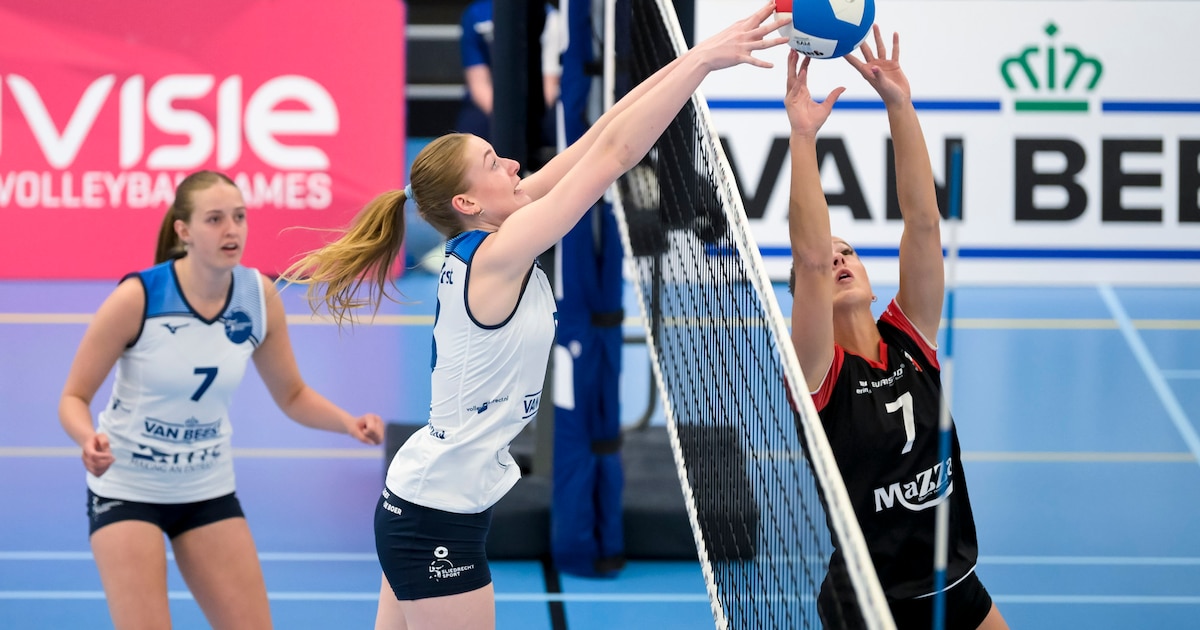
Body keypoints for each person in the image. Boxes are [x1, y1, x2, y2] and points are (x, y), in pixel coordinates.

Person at [278, 5, 790, 628]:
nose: (514, 166)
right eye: (495, 163)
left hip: (424, 503)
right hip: (435, 521)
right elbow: (614, 156)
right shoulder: (499, 253)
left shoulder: (499, 228)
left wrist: (693, 59)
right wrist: (704, 62)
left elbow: (601, 133)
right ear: (467, 202)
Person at [57, 170, 385, 630]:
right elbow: (73, 396)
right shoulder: (139, 297)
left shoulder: (257, 296)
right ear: (184, 230)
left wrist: (348, 423)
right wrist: (86, 438)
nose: (232, 230)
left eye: (239, 217)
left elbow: (292, 394)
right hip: (128, 488)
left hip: (206, 488)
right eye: (215, 219)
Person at [783, 28, 1009, 629]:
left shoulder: (911, 337)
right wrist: (803, 137)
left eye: (849, 252)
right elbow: (809, 257)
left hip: (953, 582)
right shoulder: (817, 373)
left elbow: (923, 223)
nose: (838, 260)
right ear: (806, 298)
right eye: (829, 259)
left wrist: (899, 106)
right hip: (872, 603)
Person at [456, 0, 562, 147]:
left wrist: (525, 119)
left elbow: (548, 86)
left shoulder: (551, 18)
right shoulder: (475, 14)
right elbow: (478, 83)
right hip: (490, 105)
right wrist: (506, 119)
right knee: (466, 140)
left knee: (559, 128)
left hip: (538, 107)